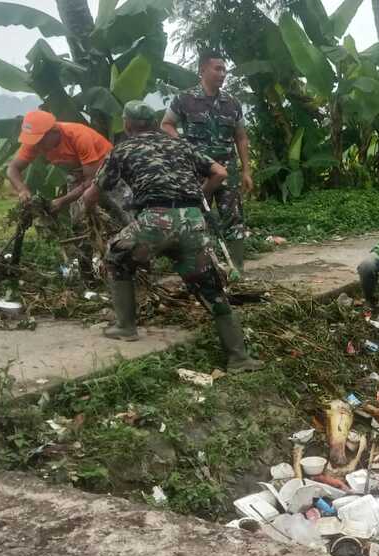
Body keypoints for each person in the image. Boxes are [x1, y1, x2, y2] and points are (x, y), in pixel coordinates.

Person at [81, 101, 264, 371]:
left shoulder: (123, 150)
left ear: (127, 124)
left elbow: (93, 193)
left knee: (116, 257)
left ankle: (125, 326)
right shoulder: (180, 145)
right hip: (192, 222)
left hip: (154, 222)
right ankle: (240, 357)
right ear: (154, 122)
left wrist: (83, 210)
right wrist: (200, 194)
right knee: (212, 290)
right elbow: (221, 172)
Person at [162, 51, 253, 276]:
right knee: (196, 218)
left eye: (224, 69)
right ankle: (202, 271)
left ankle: (237, 270)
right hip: (197, 171)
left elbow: (241, 137)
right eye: (217, 69)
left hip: (228, 171)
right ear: (203, 70)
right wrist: (185, 147)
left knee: (234, 219)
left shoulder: (232, 103)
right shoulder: (184, 99)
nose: (222, 74)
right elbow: (166, 125)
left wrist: (247, 171)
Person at [7, 109, 112, 214]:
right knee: (80, 219)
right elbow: (13, 168)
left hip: (108, 169)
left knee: (117, 210)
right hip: (79, 172)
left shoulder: (79, 137)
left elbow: (91, 181)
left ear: (53, 131)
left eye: (40, 141)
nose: (37, 146)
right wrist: (22, 189)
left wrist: (62, 201)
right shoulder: (34, 143)